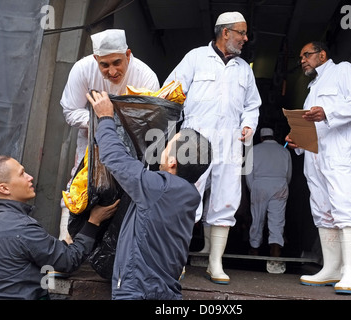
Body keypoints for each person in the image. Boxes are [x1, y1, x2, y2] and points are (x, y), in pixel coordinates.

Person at [163, 11, 261, 285]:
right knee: (185, 196)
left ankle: (214, 262)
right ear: (225, 32)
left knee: (226, 199)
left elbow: (252, 106)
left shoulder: (244, 69)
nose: (245, 38)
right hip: (194, 138)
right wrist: (171, 134)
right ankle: (176, 260)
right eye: (241, 33)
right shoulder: (195, 58)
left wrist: (248, 126)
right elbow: (170, 92)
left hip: (230, 141)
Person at [86, 90, 212, 300]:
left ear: (172, 162)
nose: (163, 147)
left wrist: (106, 118)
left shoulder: (157, 189)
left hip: (138, 292)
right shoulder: (190, 197)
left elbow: (115, 158)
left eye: (168, 146)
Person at [59, 28, 160, 239]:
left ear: (128, 55)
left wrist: (115, 126)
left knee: (128, 191)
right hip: (90, 141)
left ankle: (118, 252)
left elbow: (152, 121)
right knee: (80, 186)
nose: (112, 71)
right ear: (96, 59)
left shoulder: (146, 76)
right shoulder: (83, 69)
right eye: (104, 65)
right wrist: (101, 121)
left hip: (131, 146)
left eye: (117, 63)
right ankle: (67, 244)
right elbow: (70, 111)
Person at [285, 41, 351, 294]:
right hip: (315, 157)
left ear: (322, 55)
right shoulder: (313, 87)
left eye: (307, 55)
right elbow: (313, 124)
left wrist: (328, 112)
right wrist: (296, 138)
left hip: (338, 155)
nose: (303, 60)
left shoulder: (343, 70)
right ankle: (331, 268)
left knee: (345, 208)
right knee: (323, 211)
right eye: (300, 57)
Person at [0, 155, 118, 300]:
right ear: (4, 188)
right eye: (22, 173)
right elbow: (68, 261)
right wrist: (93, 222)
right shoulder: (22, 227)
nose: (30, 177)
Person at [245, 127, 292, 273]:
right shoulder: (284, 151)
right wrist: (283, 186)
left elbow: (248, 173)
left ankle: (254, 250)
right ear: (274, 136)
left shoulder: (254, 150)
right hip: (280, 185)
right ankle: (275, 254)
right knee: (277, 220)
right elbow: (288, 174)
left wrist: (252, 188)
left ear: (261, 137)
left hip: (259, 185)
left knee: (257, 219)